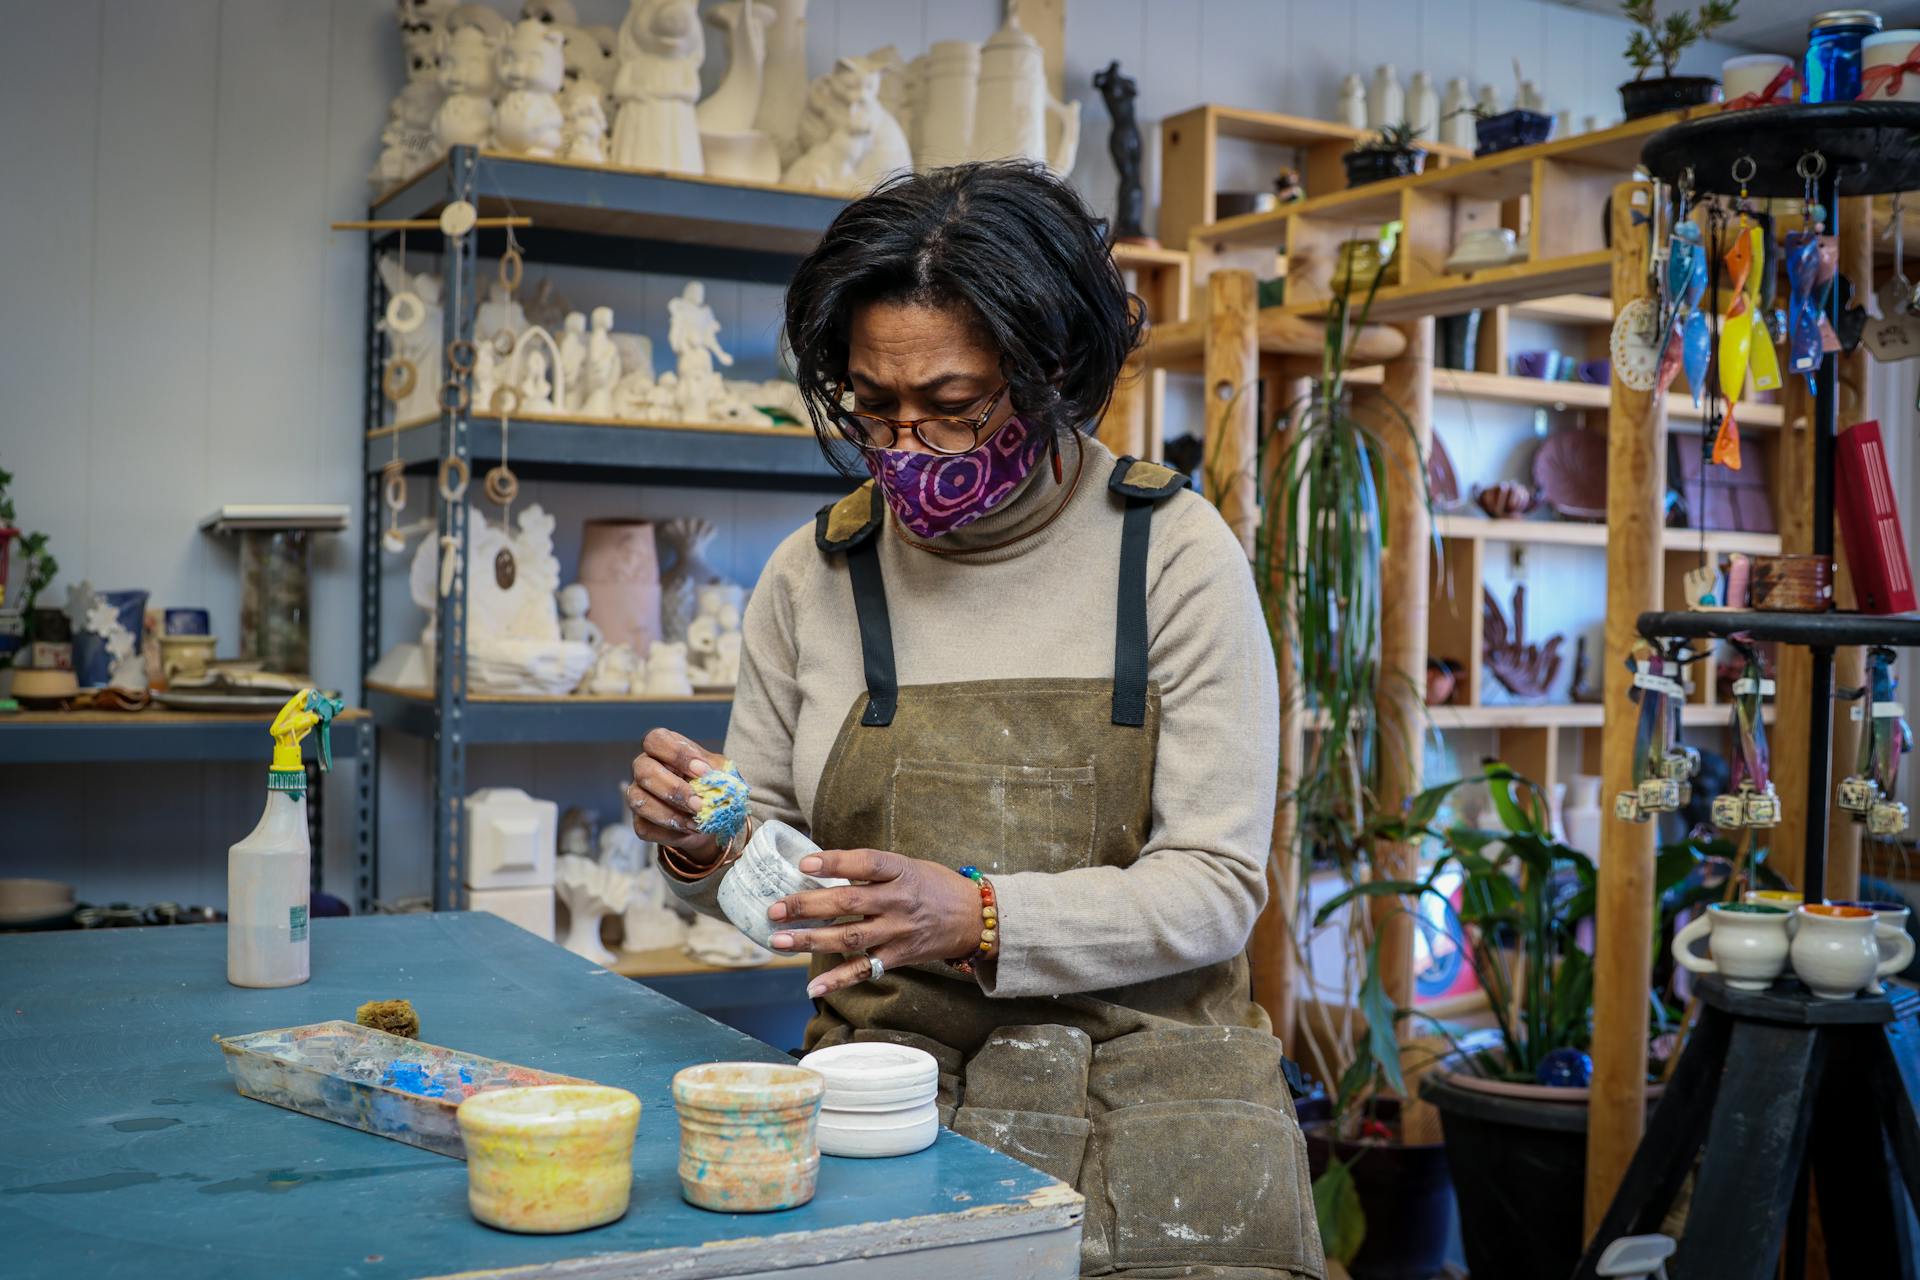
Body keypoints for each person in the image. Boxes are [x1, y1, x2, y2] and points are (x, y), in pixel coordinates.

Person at [628, 162, 1320, 1277]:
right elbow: (779, 870)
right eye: (873, 404)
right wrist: (703, 843)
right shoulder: (817, 571)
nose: (905, 443)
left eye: (951, 406)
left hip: (1155, 1083)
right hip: (891, 1085)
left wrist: (981, 915)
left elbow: (1219, 885)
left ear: (1052, 369)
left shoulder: (1174, 554)